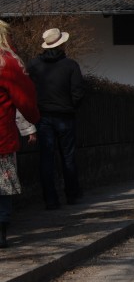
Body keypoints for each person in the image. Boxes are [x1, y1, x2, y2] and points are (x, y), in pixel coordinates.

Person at [27, 28, 85, 209]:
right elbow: (78, 92)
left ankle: (50, 199)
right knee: (68, 157)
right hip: (65, 116)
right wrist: (71, 107)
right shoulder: (71, 65)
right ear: (62, 44)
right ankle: (72, 195)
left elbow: (28, 90)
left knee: (46, 158)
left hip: (43, 116)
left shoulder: (34, 65)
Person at [0, 21, 40, 248]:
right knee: (2, 184)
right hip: (1, 135)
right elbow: (25, 95)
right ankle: (1, 229)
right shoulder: (7, 61)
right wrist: (33, 118)